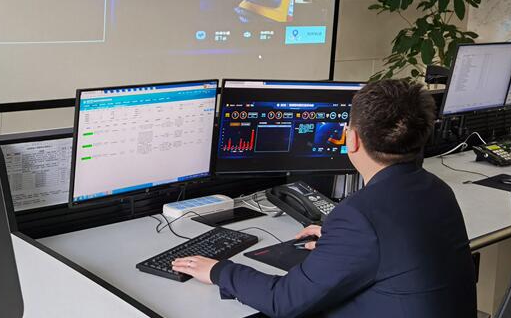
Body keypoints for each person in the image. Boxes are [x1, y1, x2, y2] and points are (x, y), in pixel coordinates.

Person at [171, 79, 477, 317]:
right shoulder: (437, 189)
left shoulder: (360, 216)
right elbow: (391, 245)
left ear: (351, 139)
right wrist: (338, 243)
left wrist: (219, 270)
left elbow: (283, 301)